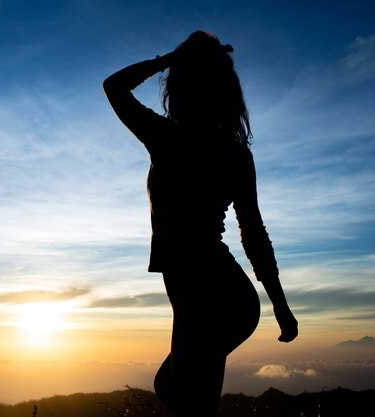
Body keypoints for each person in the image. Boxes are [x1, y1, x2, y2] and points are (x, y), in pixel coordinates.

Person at [103, 31, 298, 416]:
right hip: (227, 295)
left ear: (179, 87)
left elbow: (114, 86)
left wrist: (170, 58)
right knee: (180, 392)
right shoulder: (231, 153)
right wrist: (278, 304)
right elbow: (254, 234)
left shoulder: (167, 137)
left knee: (189, 401)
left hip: (205, 290)